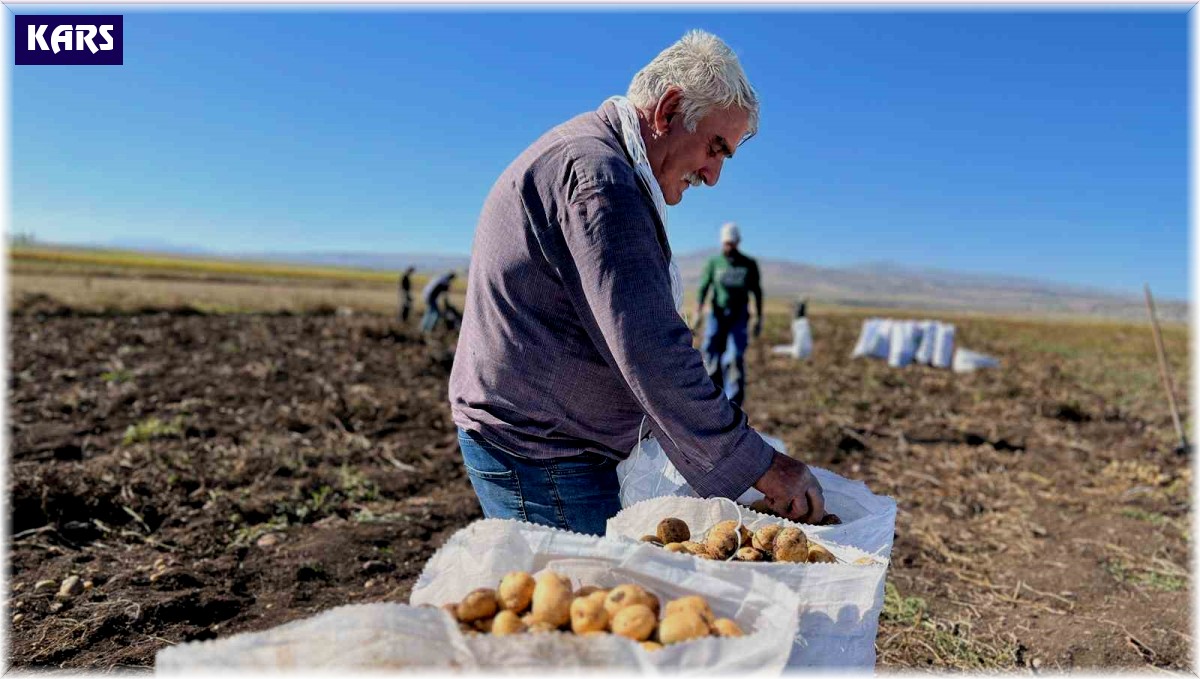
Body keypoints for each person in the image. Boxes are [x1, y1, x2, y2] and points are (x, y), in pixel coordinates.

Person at [449, 30, 825, 536]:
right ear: (668, 110)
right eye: (715, 148)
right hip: (542, 454)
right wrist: (763, 466)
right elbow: (651, 350)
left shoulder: (599, 160)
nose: (713, 176)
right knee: (583, 604)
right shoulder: (599, 180)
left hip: (551, 442)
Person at [696, 222, 762, 408]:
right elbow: (703, 287)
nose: (729, 248)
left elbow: (756, 292)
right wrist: (698, 312)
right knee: (710, 352)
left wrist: (758, 317)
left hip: (739, 315)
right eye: (726, 244)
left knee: (733, 357)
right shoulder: (714, 263)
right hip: (717, 314)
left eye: (732, 244)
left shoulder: (748, 264)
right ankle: (711, 397)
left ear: (738, 242)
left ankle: (733, 405)